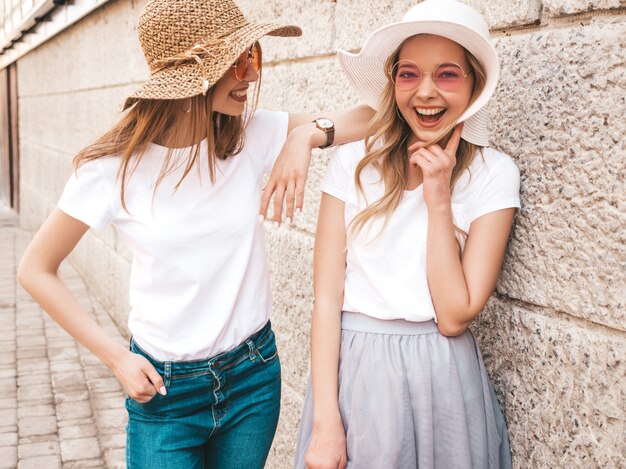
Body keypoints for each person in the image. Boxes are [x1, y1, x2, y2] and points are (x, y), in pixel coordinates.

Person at [17, 0, 373, 467]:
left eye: (254, 57)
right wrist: (116, 358)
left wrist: (307, 136)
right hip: (165, 394)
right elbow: (35, 269)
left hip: (252, 376)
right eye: (237, 61)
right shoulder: (111, 171)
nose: (249, 74)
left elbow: (372, 117)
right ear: (193, 76)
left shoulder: (253, 134)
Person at [295, 0, 520, 468]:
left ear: (475, 85)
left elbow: (455, 316)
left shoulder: (494, 173)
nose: (426, 93)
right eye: (410, 74)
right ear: (393, 81)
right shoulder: (352, 163)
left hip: (444, 379)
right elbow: (325, 299)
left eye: (448, 74)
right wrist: (325, 423)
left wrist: (439, 198)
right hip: (358, 374)